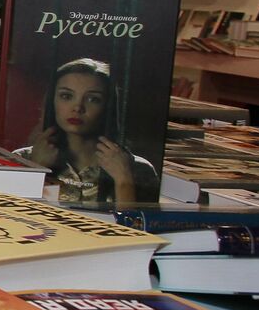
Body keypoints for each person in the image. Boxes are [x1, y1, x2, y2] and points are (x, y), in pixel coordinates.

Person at [15, 57, 158, 204]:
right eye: (66, 96)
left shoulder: (139, 169)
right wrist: (38, 171)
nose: (78, 107)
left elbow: (137, 226)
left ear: (108, 107)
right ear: (52, 101)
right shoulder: (21, 160)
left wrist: (124, 181)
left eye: (93, 99)